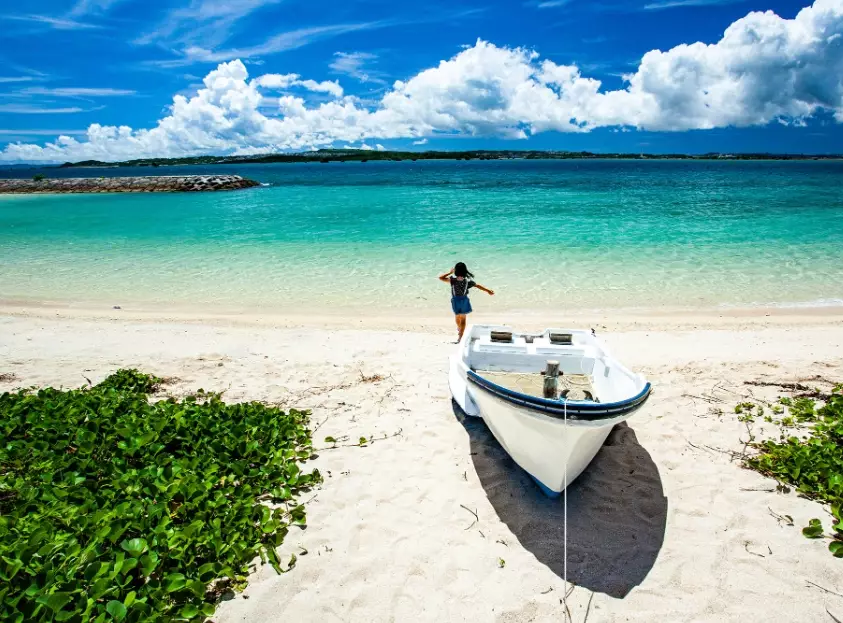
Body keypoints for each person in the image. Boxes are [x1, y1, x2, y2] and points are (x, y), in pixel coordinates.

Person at [438, 262, 494, 342]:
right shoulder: (467, 281)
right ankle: (460, 336)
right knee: (463, 319)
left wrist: (450, 272)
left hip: (455, 300)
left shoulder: (452, 280)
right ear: (465, 271)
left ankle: (460, 329)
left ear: (455, 271)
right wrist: (488, 290)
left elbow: (441, 278)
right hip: (464, 300)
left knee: (457, 317)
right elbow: (478, 286)